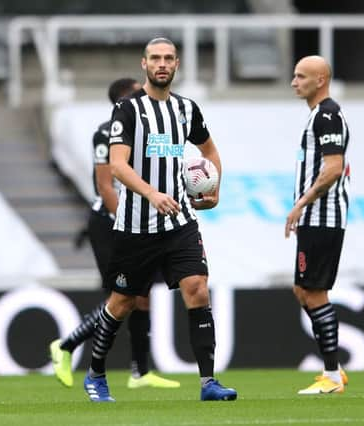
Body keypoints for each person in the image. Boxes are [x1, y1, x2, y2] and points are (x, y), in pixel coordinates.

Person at [81, 37, 237, 402]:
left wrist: (216, 190)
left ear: (177, 65)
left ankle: (208, 383)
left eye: (168, 58)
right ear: (144, 64)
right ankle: (96, 372)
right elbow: (117, 165)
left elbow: (209, 150)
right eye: (155, 58)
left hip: (180, 221)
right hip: (137, 226)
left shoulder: (186, 109)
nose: (162, 64)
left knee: (197, 287)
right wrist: (151, 193)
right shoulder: (128, 110)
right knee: (122, 302)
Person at [49, 78, 179, 390]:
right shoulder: (106, 133)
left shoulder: (150, 132)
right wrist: (128, 224)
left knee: (142, 296)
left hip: (140, 220)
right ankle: (65, 346)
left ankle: (140, 372)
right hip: (111, 222)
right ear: (125, 99)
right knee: (123, 297)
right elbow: (105, 187)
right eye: (138, 90)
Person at [286, 56, 350, 394]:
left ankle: (332, 376)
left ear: (320, 79)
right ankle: (334, 367)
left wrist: (301, 204)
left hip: (323, 218)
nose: (294, 82)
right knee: (303, 290)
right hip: (315, 219)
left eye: (301, 76)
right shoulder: (318, 115)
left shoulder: (327, 115)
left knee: (314, 292)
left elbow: (333, 167)